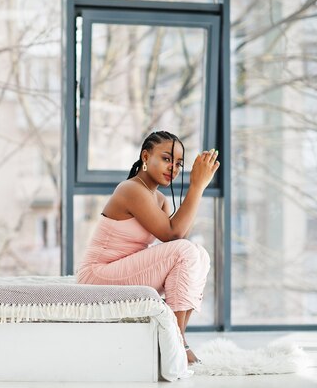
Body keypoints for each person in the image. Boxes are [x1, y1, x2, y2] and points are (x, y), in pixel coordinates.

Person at [76, 131, 220, 364]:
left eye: (179, 163)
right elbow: (173, 234)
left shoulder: (160, 199)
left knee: (200, 255)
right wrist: (197, 186)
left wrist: (198, 187)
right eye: (166, 158)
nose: (173, 167)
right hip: (97, 274)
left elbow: (176, 239)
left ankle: (175, 338)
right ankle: (176, 342)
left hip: (122, 271)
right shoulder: (130, 189)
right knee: (187, 250)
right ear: (145, 156)